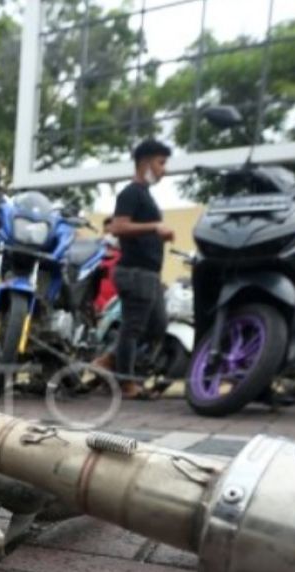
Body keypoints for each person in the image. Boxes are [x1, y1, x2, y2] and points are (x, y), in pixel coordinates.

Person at [91, 139, 175, 399]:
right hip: (135, 272)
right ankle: (126, 383)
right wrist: (154, 228)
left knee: (158, 325)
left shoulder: (145, 195)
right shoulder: (131, 193)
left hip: (149, 274)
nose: (164, 170)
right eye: (161, 163)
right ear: (146, 162)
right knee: (133, 328)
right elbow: (118, 227)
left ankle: (107, 361)